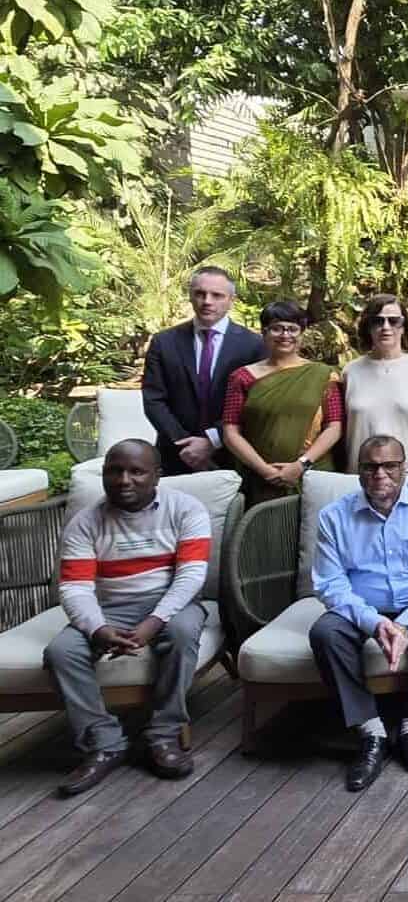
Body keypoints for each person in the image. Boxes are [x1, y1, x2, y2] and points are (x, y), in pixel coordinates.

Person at [44, 440, 212, 795]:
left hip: (171, 602)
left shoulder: (186, 510)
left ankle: (163, 736)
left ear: (157, 476)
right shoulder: (84, 523)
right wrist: (98, 628)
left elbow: (191, 577)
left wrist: (155, 621)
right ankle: (104, 743)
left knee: (182, 633)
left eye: (136, 471)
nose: (124, 480)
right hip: (108, 608)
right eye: (114, 471)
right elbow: (75, 589)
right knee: (62, 651)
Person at [309, 435, 408, 792]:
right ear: (358, 471)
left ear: (404, 468)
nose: (380, 474)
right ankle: (371, 731)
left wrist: (407, 624)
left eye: (389, 465)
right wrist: (374, 622)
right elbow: (330, 584)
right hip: (362, 607)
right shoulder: (334, 516)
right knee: (325, 633)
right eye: (371, 466)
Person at [142, 265, 266, 477]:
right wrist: (185, 445)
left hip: (231, 456)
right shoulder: (164, 342)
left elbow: (254, 402)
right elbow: (154, 399)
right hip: (175, 455)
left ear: (231, 300)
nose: (207, 301)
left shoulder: (254, 345)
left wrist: (212, 440)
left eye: (217, 295)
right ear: (190, 296)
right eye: (200, 293)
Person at [221, 301, 343, 508]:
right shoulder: (242, 377)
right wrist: (266, 471)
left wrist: (301, 465)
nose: (285, 335)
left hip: (314, 476)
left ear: (302, 333)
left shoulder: (322, 375)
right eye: (277, 328)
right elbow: (231, 432)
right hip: (259, 477)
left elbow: (334, 426)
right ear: (264, 332)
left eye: (292, 329)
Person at [342, 294, 408, 474]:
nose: (386, 327)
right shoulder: (351, 372)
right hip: (363, 478)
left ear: (404, 327)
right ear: (368, 327)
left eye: (394, 321)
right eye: (378, 321)